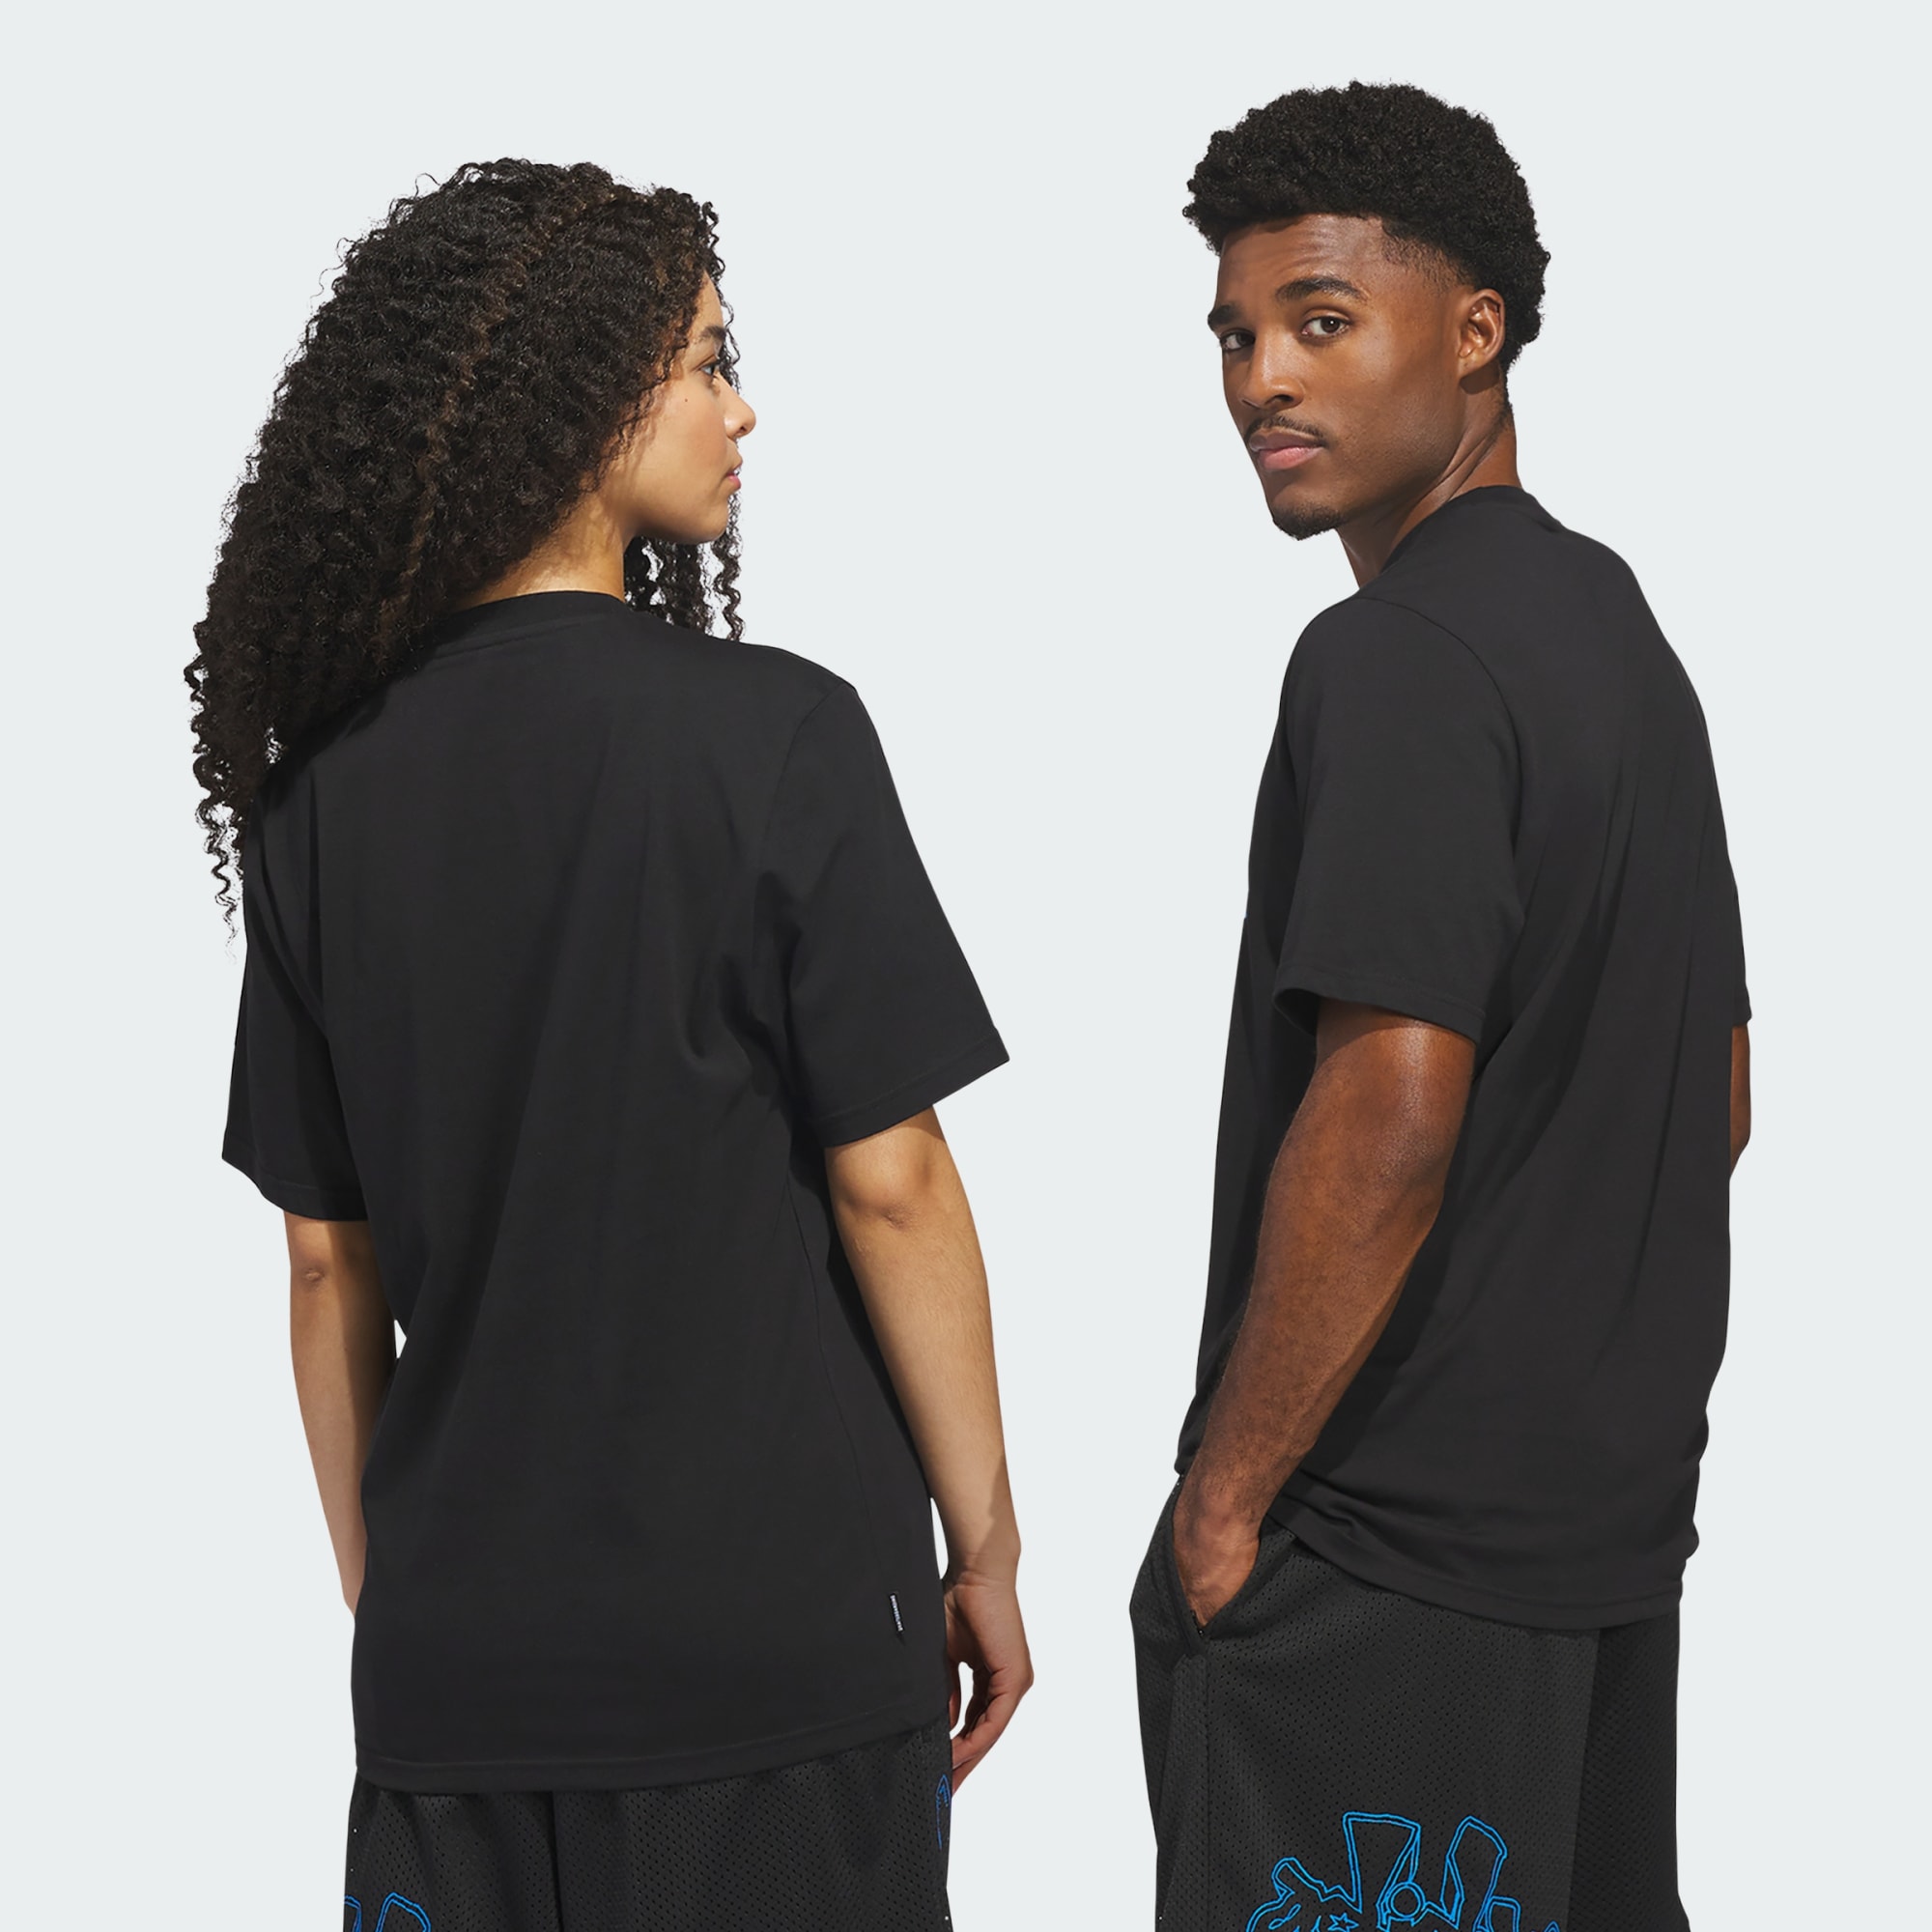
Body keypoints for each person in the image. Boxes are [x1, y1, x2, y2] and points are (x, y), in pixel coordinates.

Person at [189, 158, 1030, 1932]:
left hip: (463, 1687)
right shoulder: (776, 735)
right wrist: (989, 1543)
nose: (744, 410)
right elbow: (892, 1182)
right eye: (710, 362)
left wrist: (403, 1607)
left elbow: (329, 1268)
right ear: (578, 397)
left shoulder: (323, 800)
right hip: (775, 1661)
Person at [1129, 84, 1749, 1932]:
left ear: (1475, 332)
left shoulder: (1393, 655)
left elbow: (1393, 1106)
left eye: (1323, 320)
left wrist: (1227, 1504)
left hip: (1383, 1563)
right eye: (1235, 335)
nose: (1262, 379)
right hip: (1601, 1555)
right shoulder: (1615, 631)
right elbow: (1716, 1088)